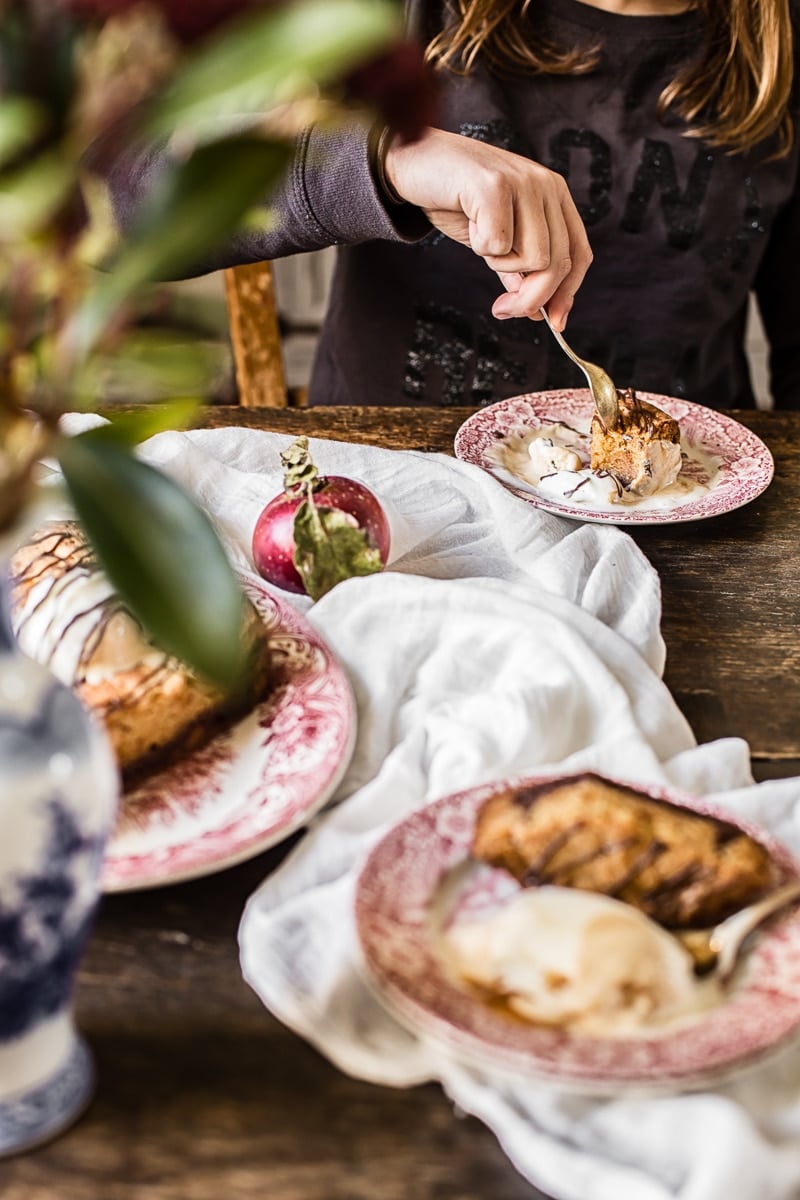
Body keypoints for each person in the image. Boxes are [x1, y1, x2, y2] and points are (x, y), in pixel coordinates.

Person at [108, 0, 800, 410]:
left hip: (685, 512)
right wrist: (380, 159)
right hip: (395, 491)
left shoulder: (782, 52)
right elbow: (114, 204)